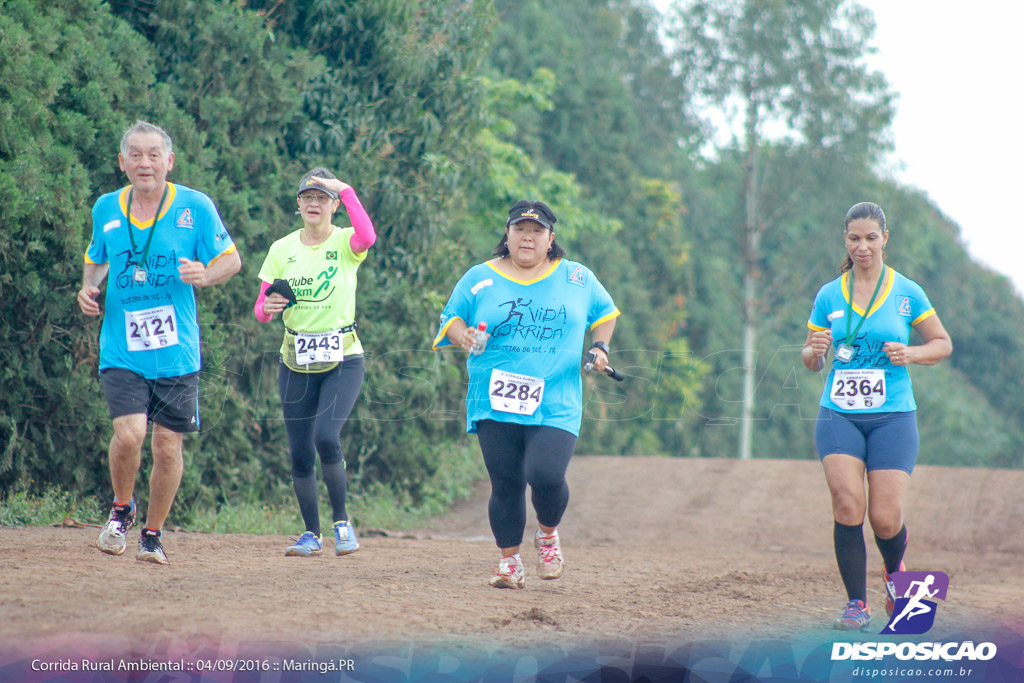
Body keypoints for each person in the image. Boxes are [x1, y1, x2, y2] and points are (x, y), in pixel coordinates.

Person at [432, 199, 620, 588]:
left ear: (551, 239)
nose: (528, 238)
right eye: (520, 230)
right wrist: (462, 334)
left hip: (557, 398)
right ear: (508, 234)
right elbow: (450, 317)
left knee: (546, 475)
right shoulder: (479, 277)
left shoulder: (577, 278)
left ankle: (548, 535)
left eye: (537, 231)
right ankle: (509, 563)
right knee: (506, 483)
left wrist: (600, 349)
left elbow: (605, 313)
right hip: (495, 397)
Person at [78, 120, 242, 565]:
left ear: (169, 161)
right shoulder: (106, 209)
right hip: (122, 348)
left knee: (168, 446)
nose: (144, 162)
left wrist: (206, 274)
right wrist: (88, 289)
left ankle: (152, 534)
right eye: (135, 154)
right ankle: (120, 509)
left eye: (154, 154)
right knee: (130, 434)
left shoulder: (195, 206)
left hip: (176, 351)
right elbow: (96, 260)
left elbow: (232, 259)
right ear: (122, 162)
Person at [801, 201, 952, 630]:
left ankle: (896, 575)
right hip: (839, 414)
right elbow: (812, 359)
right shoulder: (829, 293)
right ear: (845, 240)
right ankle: (856, 605)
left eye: (870, 238)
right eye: (854, 238)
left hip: (893, 417)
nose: (862, 246)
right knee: (848, 503)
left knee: (885, 516)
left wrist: (913, 353)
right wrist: (813, 353)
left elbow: (942, 343)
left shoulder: (907, 292)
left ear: (885, 239)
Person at [254, 167, 376, 557]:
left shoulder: (345, 243)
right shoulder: (281, 249)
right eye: (307, 197)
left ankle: (342, 523)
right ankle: (311, 533)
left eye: (322, 198)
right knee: (300, 451)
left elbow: (368, 236)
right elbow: (261, 307)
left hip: (343, 359)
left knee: (326, 436)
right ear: (298, 204)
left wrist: (347, 189)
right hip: (294, 360)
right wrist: (267, 308)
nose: (313, 203)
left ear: (335, 206)